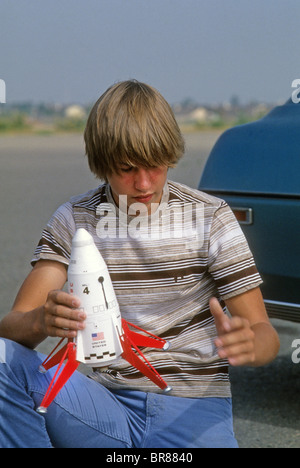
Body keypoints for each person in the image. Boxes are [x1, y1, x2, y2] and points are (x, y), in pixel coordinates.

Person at [0, 80, 280, 448]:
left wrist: (251, 345)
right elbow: (13, 328)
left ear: (171, 154)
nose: (144, 183)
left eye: (155, 164)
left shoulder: (211, 218)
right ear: (102, 164)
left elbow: (265, 334)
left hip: (193, 410)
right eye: (127, 168)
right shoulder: (75, 219)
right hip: (103, 410)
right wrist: (41, 320)